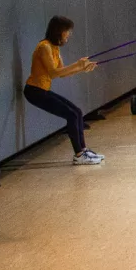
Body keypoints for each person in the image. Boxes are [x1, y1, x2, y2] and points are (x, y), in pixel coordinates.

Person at [23, 16, 102, 165]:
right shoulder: (44, 47)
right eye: (67, 31)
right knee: (71, 115)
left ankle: (83, 150)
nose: (69, 35)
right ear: (59, 31)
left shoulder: (55, 48)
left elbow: (63, 73)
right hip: (34, 91)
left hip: (42, 90)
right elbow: (53, 73)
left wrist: (82, 68)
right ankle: (79, 155)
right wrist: (77, 64)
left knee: (77, 112)